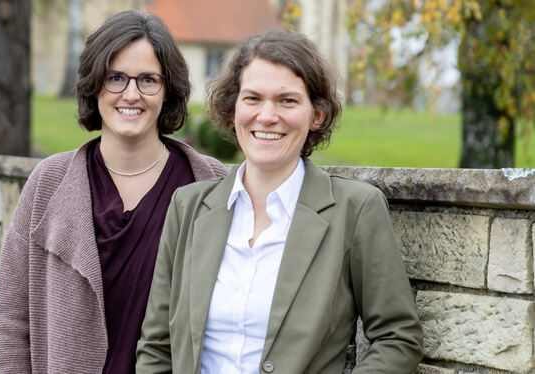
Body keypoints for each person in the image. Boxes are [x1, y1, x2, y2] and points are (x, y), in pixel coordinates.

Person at [136, 28, 423, 373]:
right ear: (232, 109)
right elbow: (156, 345)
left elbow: (398, 336)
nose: (267, 116)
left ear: (316, 114)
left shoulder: (355, 210)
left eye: (287, 100)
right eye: (252, 98)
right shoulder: (188, 206)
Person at [0, 10, 227, 374]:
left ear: (168, 90)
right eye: (115, 77)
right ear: (94, 84)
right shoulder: (49, 182)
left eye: (148, 79)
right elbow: (11, 317)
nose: (131, 94)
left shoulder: (209, 183)